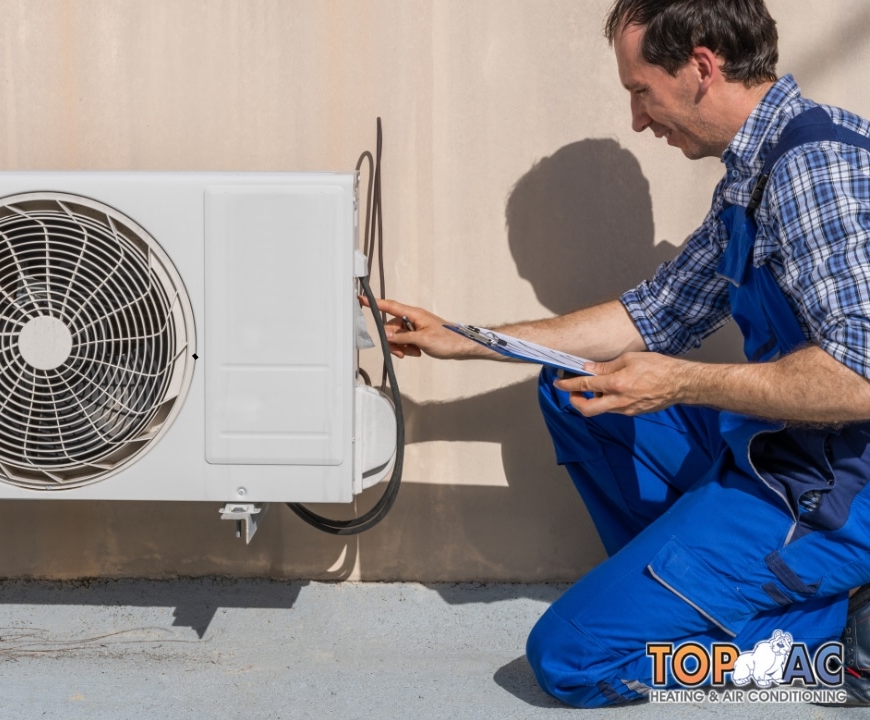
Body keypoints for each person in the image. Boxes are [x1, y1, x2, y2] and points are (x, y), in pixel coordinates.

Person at [369, 0, 870, 708]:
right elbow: (652, 314)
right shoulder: (753, 174)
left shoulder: (812, 168)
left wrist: (681, 383)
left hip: (837, 498)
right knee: (573, 387)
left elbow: (860, 375)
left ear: (701, 66)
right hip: (786, 454)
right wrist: (464, 337)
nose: (638, 118)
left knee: (572, 658)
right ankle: (688, 587)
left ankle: (839, 640)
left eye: (641, 91)